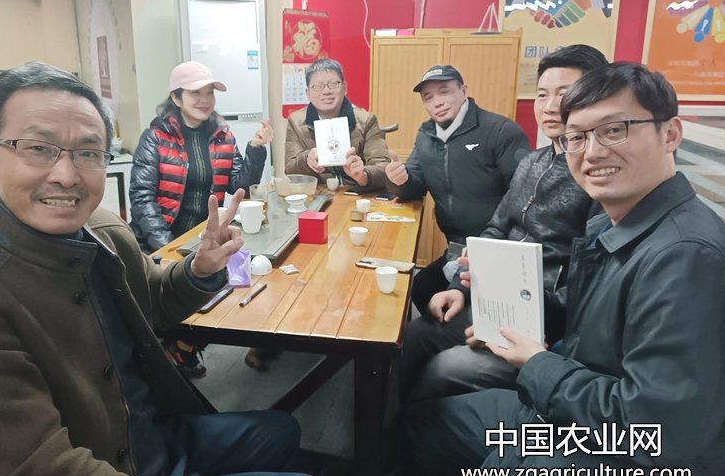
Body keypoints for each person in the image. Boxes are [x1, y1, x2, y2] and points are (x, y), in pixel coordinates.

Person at [0, 62, 331, 476]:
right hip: (104, 473)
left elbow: (152, 298)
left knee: (281, 430)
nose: (66, 175)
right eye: (39, 148)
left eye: (87, 152)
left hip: (146, 437)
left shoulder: (99, 229)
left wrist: (197, 270)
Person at [405, 63, 725, 476]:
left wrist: (538, 363)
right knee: (420, 425)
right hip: (570, 412)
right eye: (577, 137)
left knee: (445, 386)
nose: (592, 152)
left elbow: (656, 432)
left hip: (626, 466)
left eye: (613, 131)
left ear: (670, 134)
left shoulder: (684, 255)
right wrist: (506, 322)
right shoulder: (610, 223)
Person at [399, 45, 607, 401]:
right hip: (501, 299)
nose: (550, 106)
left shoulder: (599, 176)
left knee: (444, 369)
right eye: (542, 94)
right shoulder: (533, 162)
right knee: (415, 335)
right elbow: (497, 229)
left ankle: (430, 424)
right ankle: (398, 421)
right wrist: (462, 290)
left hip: (544, 324)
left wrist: (506, 320)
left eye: (564, 93)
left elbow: (590, 282)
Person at [385, 64, 530, 314]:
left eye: (444, 92)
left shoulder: (500, 131)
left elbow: (524, 198)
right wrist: (399, 180)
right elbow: (414, 185)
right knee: (420, 287)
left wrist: (495, 248)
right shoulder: (427, 134)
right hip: (455, 246)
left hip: (497, 248)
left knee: (446, 302)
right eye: (428, 97)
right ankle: (449, 328)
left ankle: (460, 331)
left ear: (464, 90)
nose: (437, 102)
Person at [131, 60, 272, 253]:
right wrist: (168, 248)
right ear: (176, 98)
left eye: (209, 93)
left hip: (201, 242)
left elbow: (240, 188)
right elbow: (142, 199)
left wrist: (255, 148)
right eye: (195, 93)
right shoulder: (155, 138)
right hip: (156, 244)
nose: (204, 100)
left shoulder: (224, 137)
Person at [285, 58, 391, 191]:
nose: (326, 91)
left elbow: (383, 166)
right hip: (318, 194)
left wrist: (364, 175)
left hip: (356, 192)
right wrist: (306, 160)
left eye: (333, 84)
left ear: (345, 87)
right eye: (317, 86)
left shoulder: (366, 120)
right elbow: (290, 170)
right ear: (308, 93)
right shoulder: (296, 122)